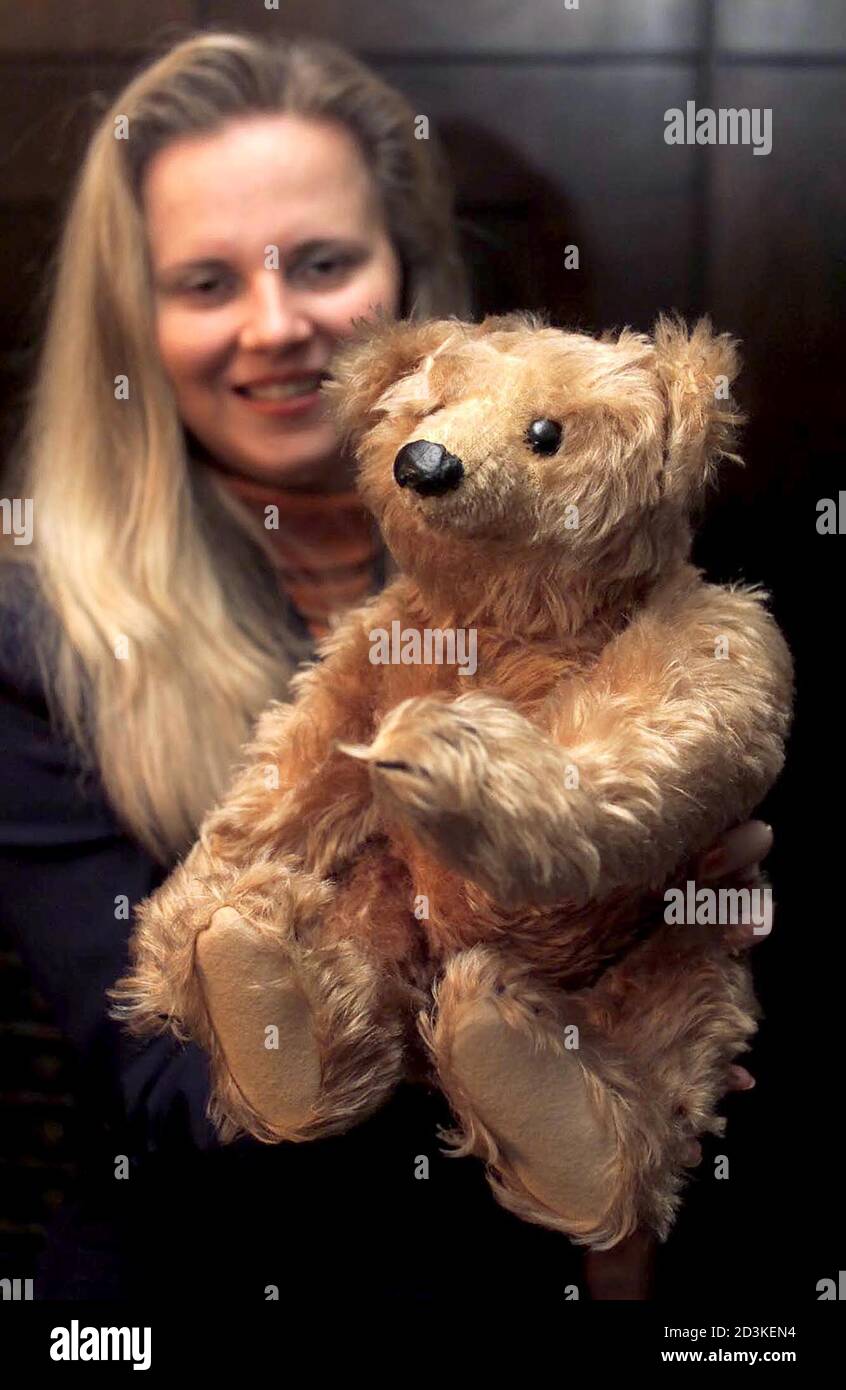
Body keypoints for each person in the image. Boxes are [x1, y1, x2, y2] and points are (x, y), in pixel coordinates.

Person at [0, 29, 772, 1302]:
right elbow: (156, 1077)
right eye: (203, 282)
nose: (276, 324)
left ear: (409, 276)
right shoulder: (39, 628)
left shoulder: (593, 551)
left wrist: (675, 908)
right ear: (132, 319)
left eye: (322, 263)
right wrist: (519, 992)